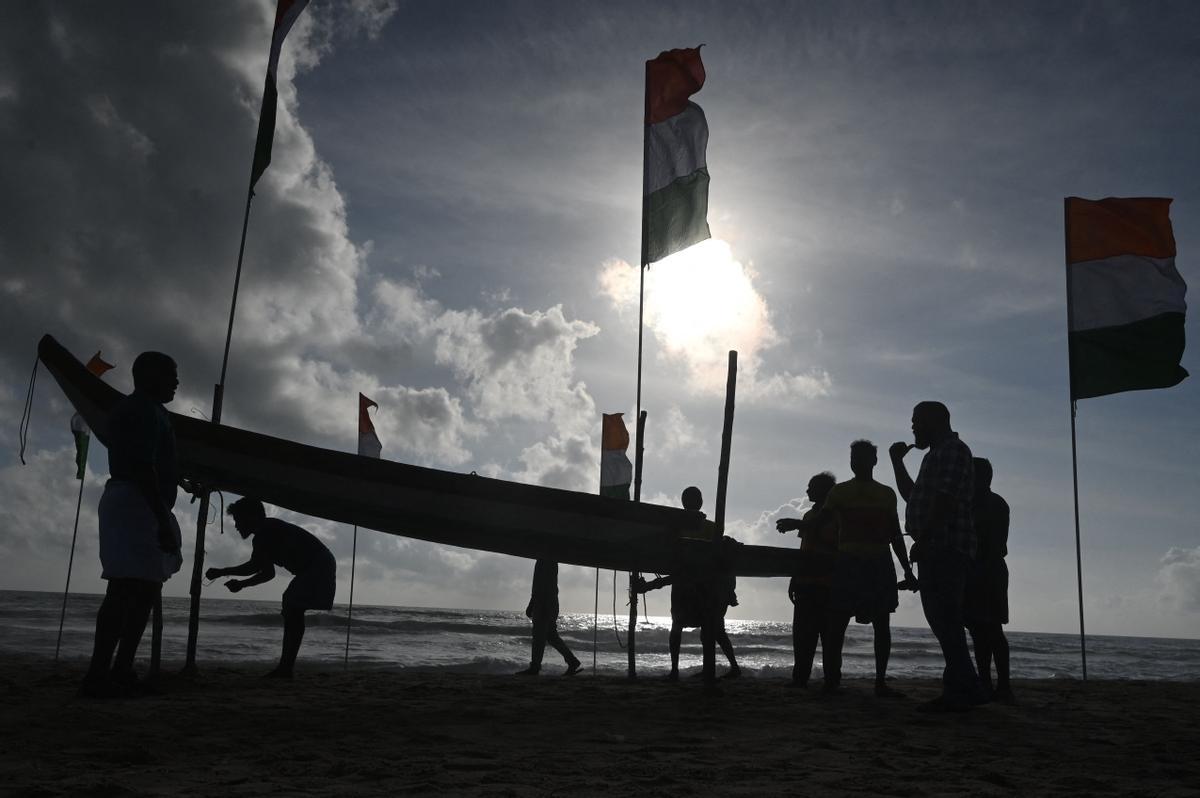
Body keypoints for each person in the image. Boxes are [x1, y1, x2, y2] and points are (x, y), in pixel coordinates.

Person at [82, 351, 184, 697]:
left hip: (138, 500)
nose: (176, 382)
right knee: (126, 588)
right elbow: (143, 467)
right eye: (171, 374)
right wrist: (161, 520)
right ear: (149, 375)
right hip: (136, 502)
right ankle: (99, 675)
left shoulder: (152, 411)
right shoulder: (141, 410)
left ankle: (120, 670)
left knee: (145, 589)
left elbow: (154, 462)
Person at [889, 401, 980, 712]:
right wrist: (896, 462)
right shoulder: (934, 456)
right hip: (938, 547)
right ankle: (964, 685)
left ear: (933, 421)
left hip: (946, 546)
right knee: (942, 620)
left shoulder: (953, 450)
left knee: (945, 618)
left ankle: (963, 689)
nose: (913, 428)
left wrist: (925, 539)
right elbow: (913, 495)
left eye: (916, 422)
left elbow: (945, 501)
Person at [822, 441, 916, 697]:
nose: (858, 462)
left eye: (863, 457)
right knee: (837, 623)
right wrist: (801, 524)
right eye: (854, 457)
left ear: (874, 461)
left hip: (878, 564)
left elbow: (895, 534)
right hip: (848, 562)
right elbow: (823, 522)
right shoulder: (839, 493)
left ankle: (880, 681)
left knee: (881, 624)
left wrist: (907, 569)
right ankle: (832, 679)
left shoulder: (886, 494)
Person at [206, 498, 336, 679]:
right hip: (318, 564)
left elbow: (255, 567)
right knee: (291, 607)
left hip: (318, 564)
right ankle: (285, 667)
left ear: (250, 517)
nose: (236, 525)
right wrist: (240, 583)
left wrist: (223, 572)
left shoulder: (265, 533)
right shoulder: (265, 533)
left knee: (292, 606)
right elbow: (267, 573)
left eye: (238, 519)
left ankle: (285, 668)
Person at [638, 487, 740, 684]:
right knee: (712, 630)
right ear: (699, 502)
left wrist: (728, 589)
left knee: (684, 628)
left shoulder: (683, 529)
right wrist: (729, 590)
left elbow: (721, 559)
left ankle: (679, 671)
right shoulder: (706, 528)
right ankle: (724, 668)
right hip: (698, 587)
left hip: (697, 587)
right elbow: (725, 560)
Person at [775, 472, 838, 688]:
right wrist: (794, 578)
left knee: (829, 638)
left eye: (812, 487)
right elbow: (805, 549)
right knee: (803, 637)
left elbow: (828, 544)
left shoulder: (834, 516)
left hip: (828, 585)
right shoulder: (809, 516)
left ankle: (831, 681)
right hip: (806, 584)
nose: (807, 491)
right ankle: (800, 678)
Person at [965, 458, 1014, 704]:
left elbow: (993, 544)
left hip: (989, 571)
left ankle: (1003, 685)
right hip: (975, 570)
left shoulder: (994, 504)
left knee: (992, 629)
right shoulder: (970, 503)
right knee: (977, 629)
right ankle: (985, 681)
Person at [516, 559, 582, 676]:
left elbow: (541, 585)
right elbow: (541, 585)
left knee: (539, 636)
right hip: (548, 602)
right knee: (550, 636)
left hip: (544, 602)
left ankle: (535, 667)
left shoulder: (545, 560)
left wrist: (534, 603)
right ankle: (572, 661)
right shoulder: (547, 560)